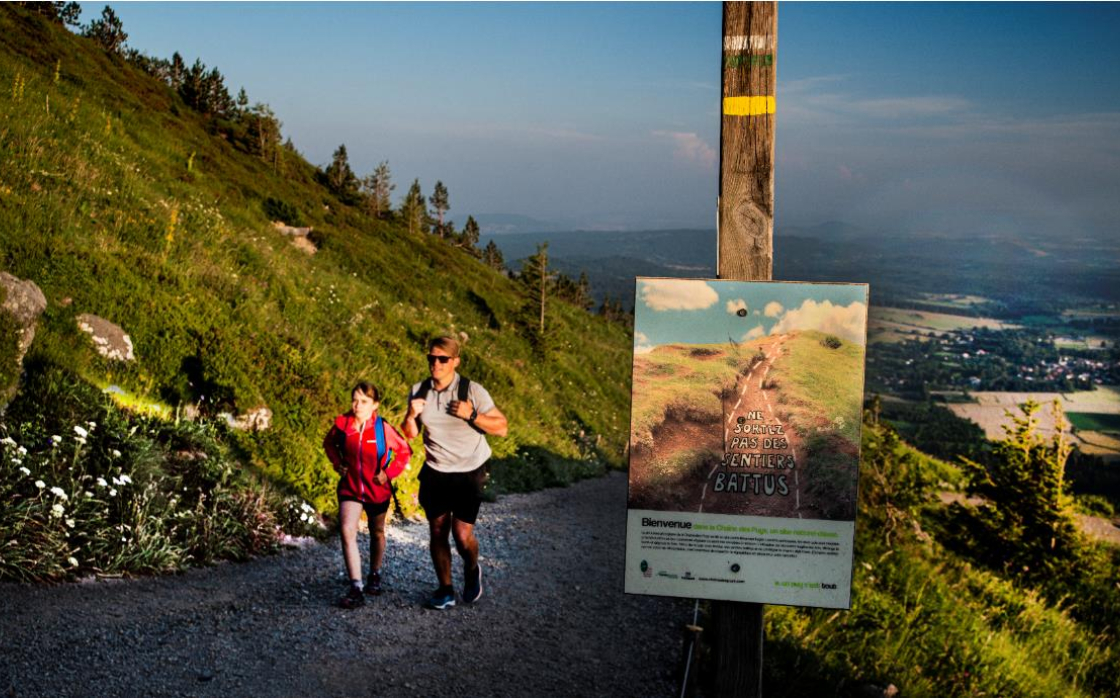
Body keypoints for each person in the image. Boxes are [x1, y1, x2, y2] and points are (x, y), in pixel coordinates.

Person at [402, 336, 508, 610]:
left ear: (455, 362)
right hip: (436, 470)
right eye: (431, 358)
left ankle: (472, 568)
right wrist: (411, 416)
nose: (435, 363)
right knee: (437, 531)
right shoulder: (419, 390)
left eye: (442, 359)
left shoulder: (471, 390)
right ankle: (445, 588)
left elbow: (502, 427)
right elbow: (410, 434)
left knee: (462, 535)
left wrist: (472, 415)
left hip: (470, 470)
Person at [324, 382, 411, 609]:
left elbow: (404, 451)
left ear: (375, 405)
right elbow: (329, 443)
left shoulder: (382, 429)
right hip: (350, 488)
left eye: (363, 401)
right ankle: (356, 587)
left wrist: (388, 473)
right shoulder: (343, 425)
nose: (357, 405)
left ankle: (375, 573)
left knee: (377, 532)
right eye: (354, 399)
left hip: (376, 490)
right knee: (346, 530)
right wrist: (337, 463)